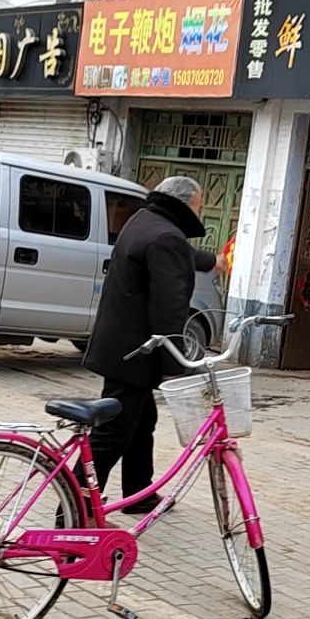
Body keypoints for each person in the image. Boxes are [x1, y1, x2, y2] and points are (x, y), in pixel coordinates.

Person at [80, 176, 226, 514]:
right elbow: (169, 308)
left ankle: (139, 492)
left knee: (142, 421)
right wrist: (174, 365)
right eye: (199, 206)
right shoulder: (166, 237)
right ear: (187, 204)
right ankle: (78, 501)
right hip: (135, 354)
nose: (199, 211)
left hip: (119, 345)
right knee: (114, 430)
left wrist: (211, 261)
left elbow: (180, 254)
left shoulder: (145, 221)